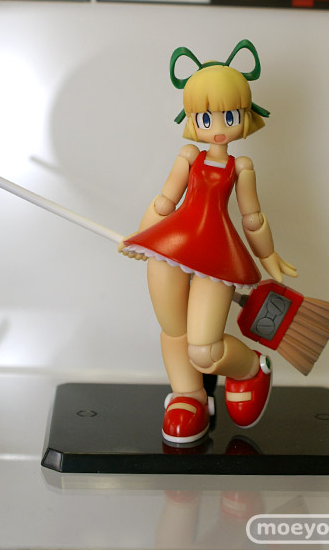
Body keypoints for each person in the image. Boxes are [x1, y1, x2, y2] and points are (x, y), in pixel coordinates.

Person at [120, 40, 297, 444]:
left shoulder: (241, 167)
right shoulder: (188, 157)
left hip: (217, 257)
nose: (217, 127)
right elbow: (164, 202)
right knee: (173, 331)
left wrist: (268, 255)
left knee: (204, 348)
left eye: (230, 115)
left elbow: (252, 218)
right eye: (205, 117)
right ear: (192, 119)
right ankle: (189, 396)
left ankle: (249, 368)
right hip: (170, 247)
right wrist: (140, 236)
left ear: (245, 116)